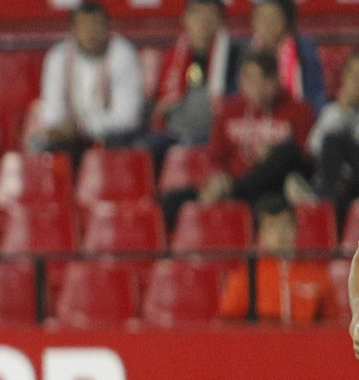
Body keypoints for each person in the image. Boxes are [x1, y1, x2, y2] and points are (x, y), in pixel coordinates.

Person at [179, 51, 314, 217]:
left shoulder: (299, 110)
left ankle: (236, 192)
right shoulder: (229, 111)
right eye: (250, 79)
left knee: (286, 151)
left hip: (274, 189)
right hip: (233, 182)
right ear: (241, 80)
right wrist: (219, 179)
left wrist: (271, 154)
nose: (257, 86)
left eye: (264, 79)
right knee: (172, 200)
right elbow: (215, 156)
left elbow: (304, 157)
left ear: (277, 80)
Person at [33, 2, 143, 156]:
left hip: (114, 139)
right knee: (39, 145)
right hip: (69, 138)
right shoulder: (57, 57)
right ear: (73, 29)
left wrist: (83, 126)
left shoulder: (122, 54)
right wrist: (64, 129)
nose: (91, 32)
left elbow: (128, 118)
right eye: (84, 25)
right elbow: (52, 113)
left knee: (123, 143)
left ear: (107, 27)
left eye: (97, 25)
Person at [218, 194, 336, 324]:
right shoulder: (244, 276)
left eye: (285, 225)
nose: (280, 233)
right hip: (261, 343)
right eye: (272, 227)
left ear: (296, 229)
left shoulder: (316, 274)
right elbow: (228, 325)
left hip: (308, 343)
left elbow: (332, 326)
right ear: (260, 234)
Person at [150, 0, 238, 150]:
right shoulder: (174, 55)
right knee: (144, 148)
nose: (203, 22)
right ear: (184, 19)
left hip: (215, 134)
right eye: (197, 15)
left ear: (221, 20)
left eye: (210, 15)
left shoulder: (234, 55)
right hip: (173, 133)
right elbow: (160, 104)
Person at [292, 53, 359, 225]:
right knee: (291, 151)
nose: (355, 81)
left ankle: (319, 199)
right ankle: (321, 197)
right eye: (351, 74)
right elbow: (313, 147)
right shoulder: (332, 111)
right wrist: (344, 110)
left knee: (335, 141)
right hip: (336, 182)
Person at [246, 0, 324, 111]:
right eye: (260, 17)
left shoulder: (303, 49)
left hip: (294, 113)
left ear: (286, 21)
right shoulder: (244, 50)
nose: (266, 24)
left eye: (272, 18)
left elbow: (315, 92)